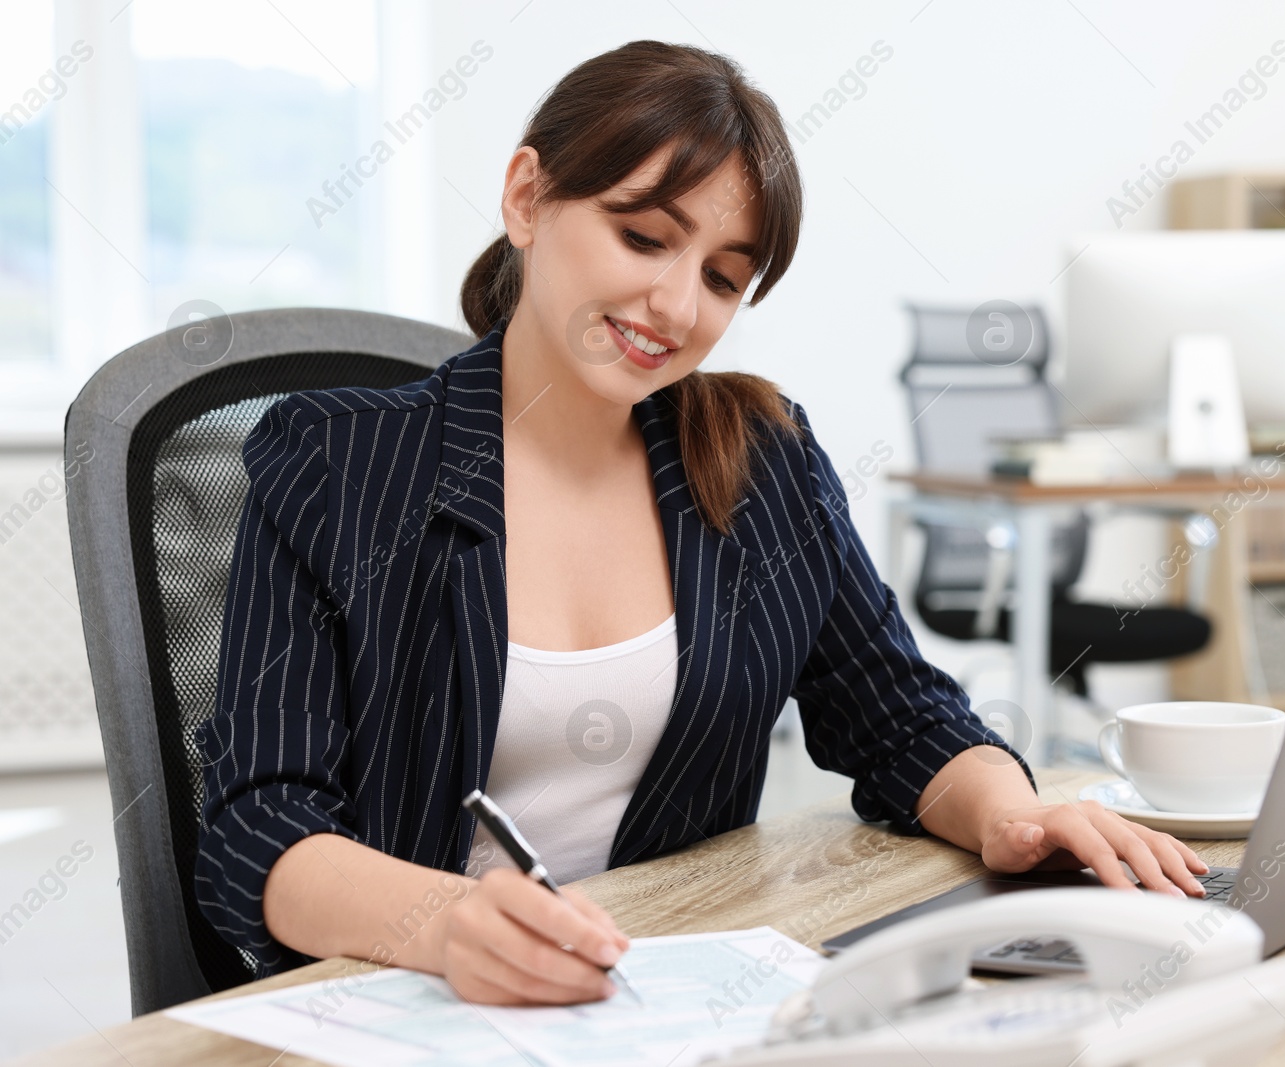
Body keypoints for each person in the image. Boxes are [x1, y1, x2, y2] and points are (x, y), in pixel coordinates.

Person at [196, 39, 1208, 1008]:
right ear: (526, 197)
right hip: (399, 1002)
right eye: (643, 237)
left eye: (724, 277)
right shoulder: (339, 460)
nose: (675, 305)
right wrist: (443, 920)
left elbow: (899, 714)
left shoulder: (759, 459)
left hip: (665, 1003)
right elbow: (260, 826)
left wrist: (1014, 815)